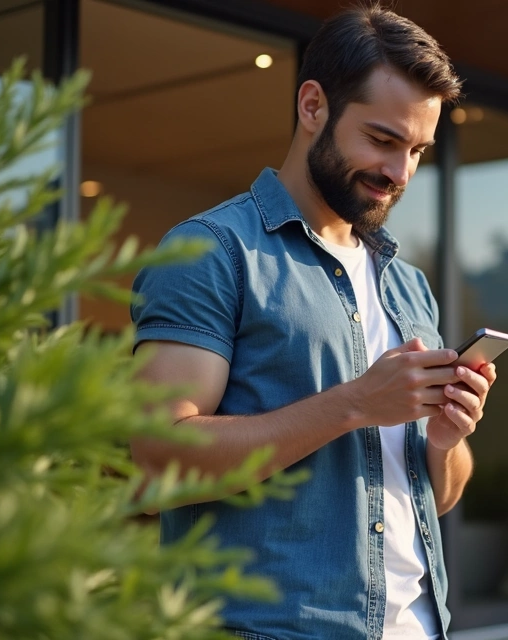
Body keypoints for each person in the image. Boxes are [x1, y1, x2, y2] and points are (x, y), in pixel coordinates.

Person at [129, 5, 489, 639]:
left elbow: (444, 495)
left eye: (417, 151)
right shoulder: (212, 253)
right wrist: (352, 405)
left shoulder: (408, 286)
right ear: (313, 106)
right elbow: (159, 460)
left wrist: (445, 436)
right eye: (382, 140)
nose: (399, 173)